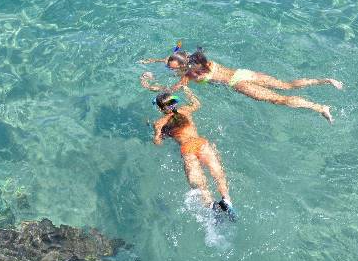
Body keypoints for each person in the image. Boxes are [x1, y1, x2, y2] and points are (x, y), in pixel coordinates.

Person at [140, 46, 343, 123]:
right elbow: (173, 57)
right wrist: (154, 61)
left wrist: (149, 85)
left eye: (172, 67)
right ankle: (326, 80)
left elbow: (171, 93)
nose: (170, 68)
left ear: (182, 66)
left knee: (279, 100)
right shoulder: (198, 60)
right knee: (287, 85)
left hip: (239, 83)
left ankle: (319, 108)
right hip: (243, 72)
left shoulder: (190, 76)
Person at [142, 74, 234, 216]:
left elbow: (158, 143)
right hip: (201, 142)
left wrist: (153, 129)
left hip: (187, 148)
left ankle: (212, 206)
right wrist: (187, 90)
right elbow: (197, 103)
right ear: (175, 103)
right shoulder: (185, 110)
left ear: (161, 109)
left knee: (198, 184)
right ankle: (226, 200)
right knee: (218, 173)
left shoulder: (160, 122)